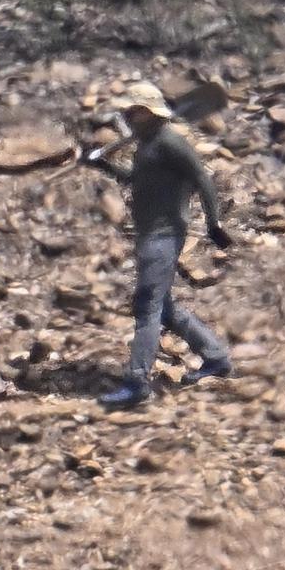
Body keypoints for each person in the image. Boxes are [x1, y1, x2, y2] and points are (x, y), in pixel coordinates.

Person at [93, 83, 234, 407]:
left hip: (166, 234)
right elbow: (136, 180)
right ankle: (216, 358)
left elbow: (203, 179)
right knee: (163, 308)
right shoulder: (147, 144)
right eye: (127, 111)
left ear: (151, 111)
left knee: (147, 306)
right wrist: (103, 165)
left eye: (135, 110)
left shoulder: (171, 141)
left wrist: (214, 223)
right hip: (148, 235)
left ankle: (137, 382)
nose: (128, 115)